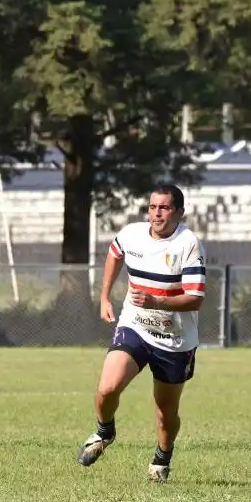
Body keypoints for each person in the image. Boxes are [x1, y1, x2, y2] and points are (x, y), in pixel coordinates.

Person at [77, 184, 205, 482]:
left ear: (179, 213)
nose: (156, 213)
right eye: (152, 207)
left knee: (165, 414)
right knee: (107, 388)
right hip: (135, 326)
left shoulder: (188, 243)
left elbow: (196, 298)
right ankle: (104, 431)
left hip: (175, 340)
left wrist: (158, 301)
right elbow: (115, 252)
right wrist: (105, 296)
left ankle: (162, 458)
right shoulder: (132, 234)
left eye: (164, 208)